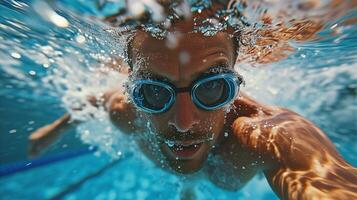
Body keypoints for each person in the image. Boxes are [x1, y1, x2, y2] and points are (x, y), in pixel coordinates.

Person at [28, 1, 357, 199]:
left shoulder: (262, 137)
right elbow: (92, 102)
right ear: (133, 91)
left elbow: (324, 178)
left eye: (213, 89)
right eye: (153, 92)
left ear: (235, 85)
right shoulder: (124, 110)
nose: (184, 122)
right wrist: (53, 130)